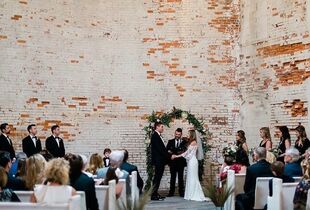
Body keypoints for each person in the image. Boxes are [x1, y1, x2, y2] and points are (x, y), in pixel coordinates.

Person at [172, 129, 206, 201]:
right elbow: (187, 153)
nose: (188, 135)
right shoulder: (192, 142)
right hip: (192, 161)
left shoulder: (193, 142)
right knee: (191, 177)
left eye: (189, 134)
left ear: (192, 135)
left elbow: (188, 154)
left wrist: (177, 156)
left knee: (192, 177)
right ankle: (190, 194)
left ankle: (192, 194)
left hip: (192, 161)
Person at [150, 121, 170, 201]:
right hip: (159, 161)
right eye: (161, 126)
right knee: (157, 178)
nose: (162, 128)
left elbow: (162, 149)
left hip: (160, 161)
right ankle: (153, 195)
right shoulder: (155, 136)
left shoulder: (157, 136)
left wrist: (167, 153)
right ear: (157, 127)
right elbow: (160, 149)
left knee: (158, 178)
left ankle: (155, 193)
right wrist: (169, 156)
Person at [166, 128, 187, 197]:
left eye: (179, 134)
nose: (177, 135)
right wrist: (170, 155)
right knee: (173, 178)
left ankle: (181, 192)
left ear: (181, 134)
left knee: (181, 178)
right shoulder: (170, 141)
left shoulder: (184, 142)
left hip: (181, 163)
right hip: (172, 163)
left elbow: (185, 152)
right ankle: (171, 192)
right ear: (174, 134)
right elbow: (167, 150)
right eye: (176, 134)